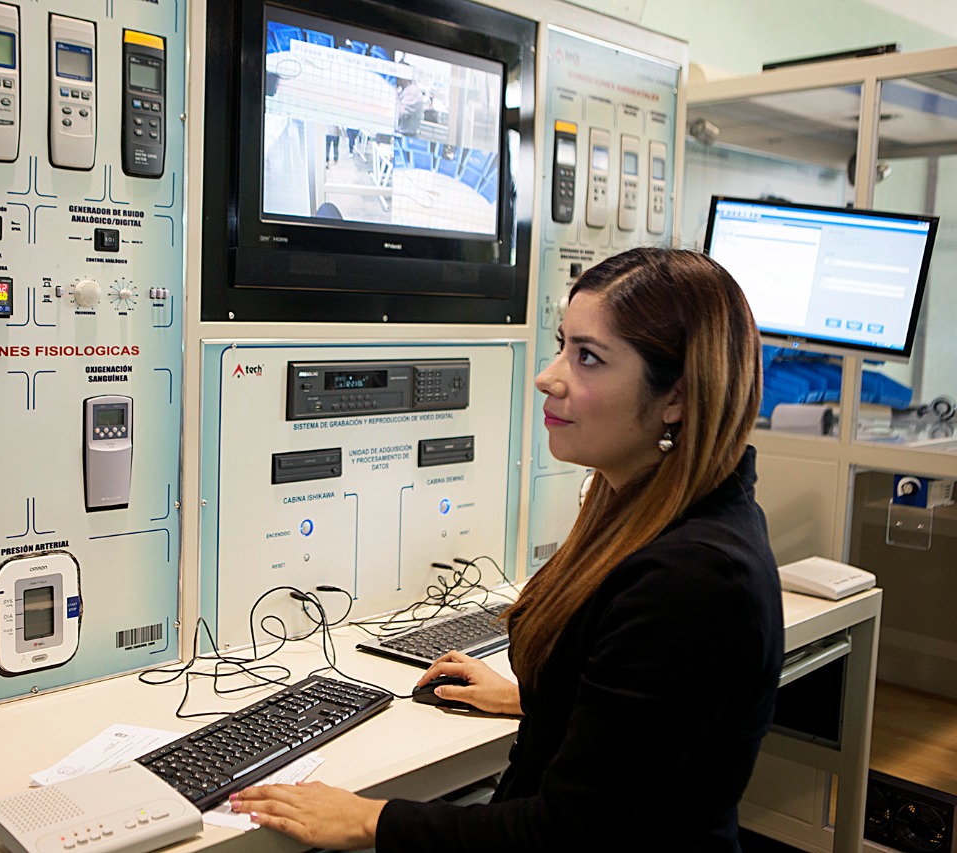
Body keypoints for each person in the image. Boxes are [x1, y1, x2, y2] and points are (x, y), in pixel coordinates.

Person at [230, 247, 785, 851]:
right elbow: (652, 728)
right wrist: (543, 699)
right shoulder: (662, 511)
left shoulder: (695, 578)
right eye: (562, 344)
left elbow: (563, 833)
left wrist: (369, 820)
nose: (550, 375)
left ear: (676, 397)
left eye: (589, 358)